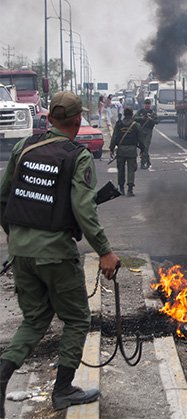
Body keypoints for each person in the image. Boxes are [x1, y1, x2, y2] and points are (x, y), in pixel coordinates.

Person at [0, 91, 120, 415]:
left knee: (36, 318)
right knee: (78, 318)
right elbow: (84, 211)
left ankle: (1, 376)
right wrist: (105, 252)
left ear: (49, 119)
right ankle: (63, 390)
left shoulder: (22, 148)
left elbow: (3, 197)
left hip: (21, 251)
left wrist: (17, 238)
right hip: (55, 254)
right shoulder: (76, 156)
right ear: (78, 121)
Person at [110, 108, 143, 197]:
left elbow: (114, 137)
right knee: (131, 170)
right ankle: (130, 189)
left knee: (120, 170)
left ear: (124, 114)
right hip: (132, 150)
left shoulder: (119, 124)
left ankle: (121, 189)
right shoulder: (136, 125)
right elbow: (141, 139)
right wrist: (142, 151)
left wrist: (111, 149)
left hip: (121, 150)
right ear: (132, 114)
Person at [134, 98, 159, 169]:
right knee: (143, 148)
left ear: (150, 105)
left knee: (145, 148)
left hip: (148, 132)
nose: (147, 105)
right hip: (141, 132)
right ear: (144, 104)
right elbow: (134, 118)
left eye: (148, 104)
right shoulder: (141, 111)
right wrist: (142, 118)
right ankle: (148, 161)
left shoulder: (152, 113)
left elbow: (157, 121)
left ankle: (143, 163)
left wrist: (151, 119)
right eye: (146, 104)